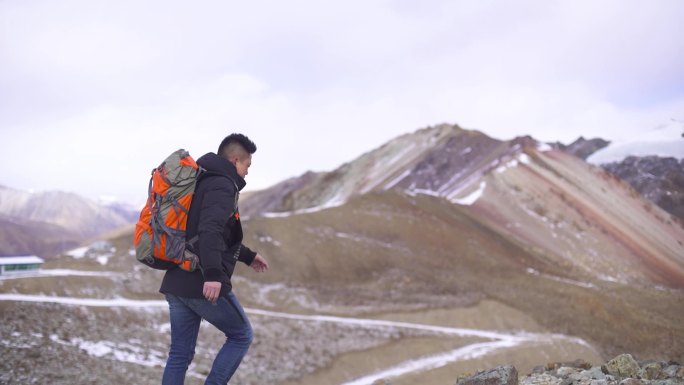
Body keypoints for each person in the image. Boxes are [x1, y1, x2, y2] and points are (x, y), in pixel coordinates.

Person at [159, 133, 269, 385]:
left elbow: (213, 235)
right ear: (235, 160)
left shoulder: (202, 181)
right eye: (247, 165)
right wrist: (212, 275)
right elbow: (210, 230)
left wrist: (249, 256)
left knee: (179, 354)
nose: (247, 173)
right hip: (200, 280)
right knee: (242, 335)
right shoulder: (222, 184)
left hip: (177, 281)